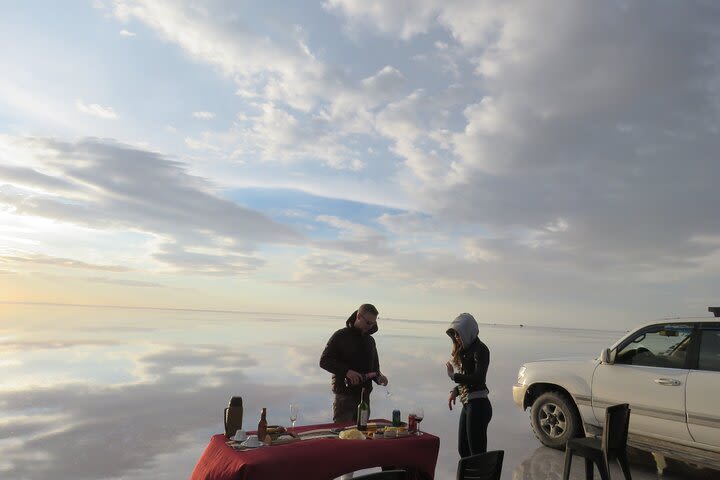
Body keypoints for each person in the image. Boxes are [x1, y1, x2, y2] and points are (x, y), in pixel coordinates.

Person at [319, 303, 389, 423]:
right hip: (344, 398)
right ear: (359, 317)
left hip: (364, 398)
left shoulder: (370, 341)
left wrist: (380, 378)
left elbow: (375, 369)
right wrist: (347, 372)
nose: (370, 326)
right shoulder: (340, 336)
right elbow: (324, 361)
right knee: (343, 436)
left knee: (363, 436)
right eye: (368, 323)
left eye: (373, 323)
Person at [445, 312, 492, 457]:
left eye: (459, 334)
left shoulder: (481, 350)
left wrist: (454, 377)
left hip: (479, 406)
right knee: (463, 450)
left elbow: (478, 378)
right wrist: (456, 391)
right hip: (469, 404)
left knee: (477, 454)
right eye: (455, 335)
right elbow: (468, 378)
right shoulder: (466, 350)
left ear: (468, 331)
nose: (457, 339)